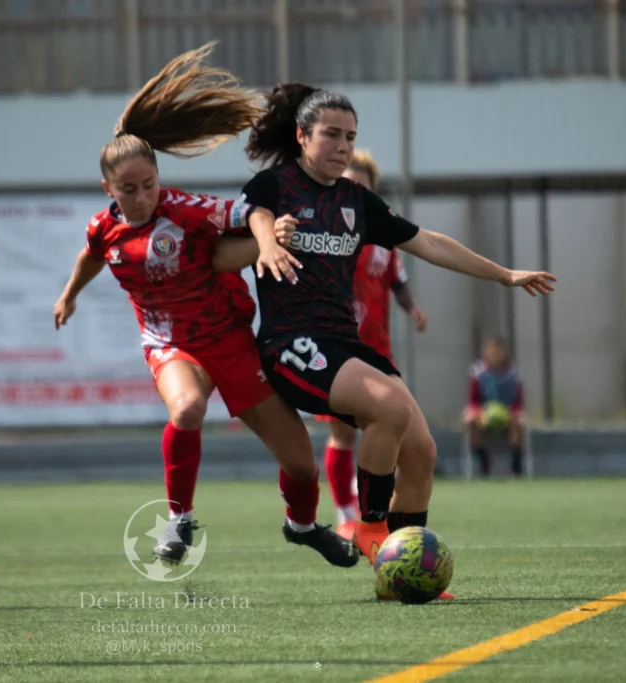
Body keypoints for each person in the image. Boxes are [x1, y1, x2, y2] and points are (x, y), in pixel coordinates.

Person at [212, 82, 555, 574]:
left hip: (344, 343)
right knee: (390, 409)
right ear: (302, 135)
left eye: (350, 137)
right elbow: (236, 238)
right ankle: (371, 529)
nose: (343, 146)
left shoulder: (357, 201)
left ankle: (401, 573)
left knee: (421, 453)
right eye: (331, 134)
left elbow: (430, 242)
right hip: (291, 343)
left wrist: (505, 274)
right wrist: (264, 241)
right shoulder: (273, 186)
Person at [54, 43, 358, 574]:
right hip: (171, 344)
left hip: (233, 340)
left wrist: (272, 232)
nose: (143, 196)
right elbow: (90, 257)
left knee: (302, 464)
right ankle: (179, 519)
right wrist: (69, 294)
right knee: (187, 410)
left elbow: (247, 211)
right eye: (129, 189)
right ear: (108, 189)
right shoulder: (103, 229)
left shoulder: (184, 210)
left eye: (149, 184)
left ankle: (303, 526)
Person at [314, 150, 427, 542]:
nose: (357, 189)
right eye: (351, 182)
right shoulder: (327, 229)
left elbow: (398, 280)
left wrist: (413, 309)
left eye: (364, 183)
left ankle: (378, 513)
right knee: (344, 433)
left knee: (395, 430)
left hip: (379, 349)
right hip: (339, 350)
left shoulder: (384, 236)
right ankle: (346, 513)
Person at [465, 337, 526, 476]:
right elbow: (473, 400)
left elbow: (518, 401)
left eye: (498, 352)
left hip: (508, 414)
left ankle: (516, 467)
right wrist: (478, 413)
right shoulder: (478, 372)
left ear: (504, 353)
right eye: (492, 352)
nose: (495, 355)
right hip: (483, 413)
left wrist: (513, 413)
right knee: (469, 421)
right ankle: (484, 461)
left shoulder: (513, 374)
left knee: (520, 421)